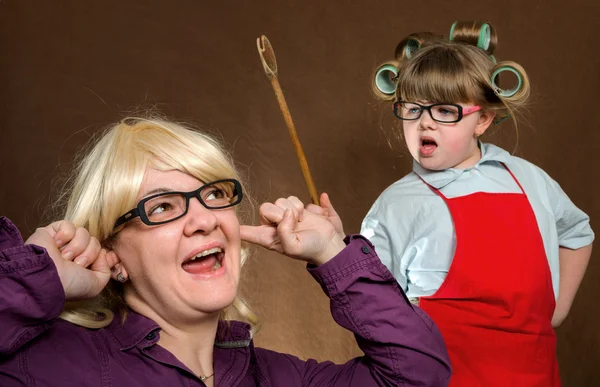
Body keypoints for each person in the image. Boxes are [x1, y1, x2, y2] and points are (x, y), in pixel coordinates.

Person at [0, 116, 451, 386]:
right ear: (111, 253)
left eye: (214, 195)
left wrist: (335, 254)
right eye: (162, 207)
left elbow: (417, 374)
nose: (204, 219)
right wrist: (35, 279)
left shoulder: (277, 379)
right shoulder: (50, 367)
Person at [362, 21, 594, 386]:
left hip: (534, 374)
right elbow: (372, 304)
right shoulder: (395, 204)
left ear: (482, 119)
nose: (425, 124)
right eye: (412, 109)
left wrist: (556, 309)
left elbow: (577, 232)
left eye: (444, 111)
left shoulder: (529, 179)